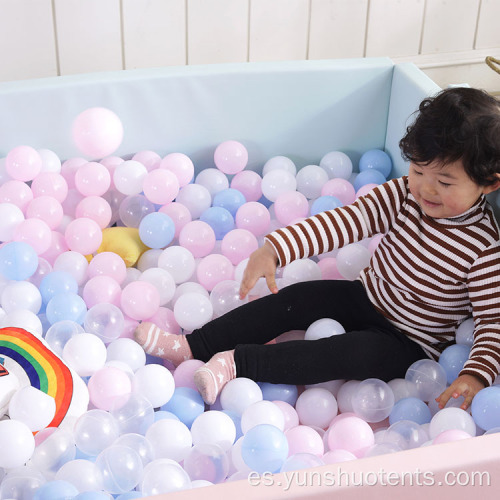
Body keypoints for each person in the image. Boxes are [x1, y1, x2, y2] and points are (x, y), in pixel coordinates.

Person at [134, 87, 500, 409]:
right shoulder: (404, 194)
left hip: (409, 342)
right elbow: (348, 221)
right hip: (365, 295)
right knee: (299, 298)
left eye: (445, 181)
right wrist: (278, 248)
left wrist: (476, 375)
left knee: (348, 354)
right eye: (419, 171)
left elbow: (492, 322)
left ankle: (237, 364)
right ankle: (194, 345)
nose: (426, 189)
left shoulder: (485, 249)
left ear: (488, 183)